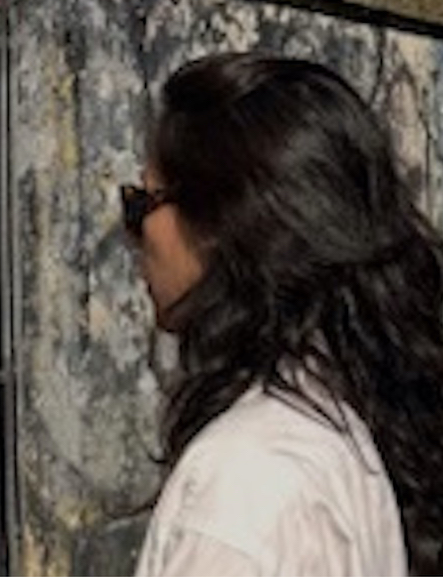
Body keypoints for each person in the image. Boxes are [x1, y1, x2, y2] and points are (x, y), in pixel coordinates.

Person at [127, 51, 443, 575]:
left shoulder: (244, 484)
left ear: (220, 222)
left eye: (141, 204)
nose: (134, 238)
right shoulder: (340, 429)